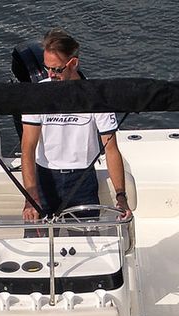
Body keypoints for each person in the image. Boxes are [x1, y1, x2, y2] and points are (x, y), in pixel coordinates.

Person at [20, 29, 130, 222]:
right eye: (47, 68)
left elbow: (111, 149)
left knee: (84, 239)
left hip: (83, 180)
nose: (51, 75)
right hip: (45, 178)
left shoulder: (96, 96)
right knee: (40, 237)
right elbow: (27, 148)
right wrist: (30, 196)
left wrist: (121, 196)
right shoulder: (37, 94)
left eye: (57, 69)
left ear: (73, 64)